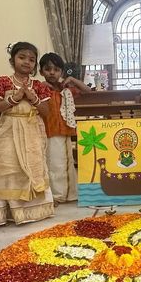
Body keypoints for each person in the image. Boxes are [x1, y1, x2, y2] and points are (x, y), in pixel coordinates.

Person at [0, 42, 54, 225]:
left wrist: (33, 98)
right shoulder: (2, 82)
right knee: (7, 166)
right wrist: (15, 98)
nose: (27, 62)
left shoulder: (39, 86)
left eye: (32, 59)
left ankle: (33, 212)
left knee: (34, 167)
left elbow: (47, 112)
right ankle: (7, 212)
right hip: (8, 128)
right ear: (12, 60)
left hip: (32, 127)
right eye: (22, 57)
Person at [39, 52, 88, 204]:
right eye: (48, 69)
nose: (52, 73)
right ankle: (56, 196)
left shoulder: (65, 89)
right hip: (50, 131)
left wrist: (72, 79)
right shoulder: (40, 89)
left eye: (56, 69)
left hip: (65, 131)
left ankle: (70, 194)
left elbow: (87, 91)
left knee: (67, 163)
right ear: (41, 71)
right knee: (54, 165)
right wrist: (40, 87)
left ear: (61, 71)